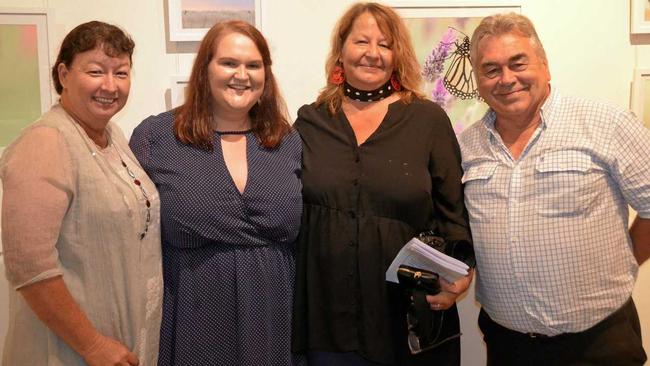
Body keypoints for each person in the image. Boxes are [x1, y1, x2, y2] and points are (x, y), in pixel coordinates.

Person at [459, 12, 650, 366]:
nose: (506, 79)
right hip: (508, 347)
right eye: (491, 69)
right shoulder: (466, 147)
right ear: (478, 81)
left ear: (544, 66)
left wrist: (626, 261)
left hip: (599, 344)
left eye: (518, 63)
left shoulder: (605, 123)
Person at [292, 3, 474, 365]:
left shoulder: (427, 120)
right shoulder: (310, 121)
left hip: (407, 318)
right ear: (341, 50)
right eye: (361, 41)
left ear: (397, 55)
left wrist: (460, 276)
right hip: (328, 320)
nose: (372, 53)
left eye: (385, 44)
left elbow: (454, 211)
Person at [129, 20, 302, 365]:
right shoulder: (157, 137)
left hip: (274, 317)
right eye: (229, 63)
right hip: (194, 315)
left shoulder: (286, 139)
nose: (242, 74)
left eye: (254, 65)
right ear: (204, 69)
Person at [0, 21, 162, 366]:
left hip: (117, 343)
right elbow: (29, 267)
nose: (109, 85)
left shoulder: (112, 135)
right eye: (95, 71)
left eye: (121, 73)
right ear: (64, 74)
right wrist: (93, 345)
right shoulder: (44, 142)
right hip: (68, 350)